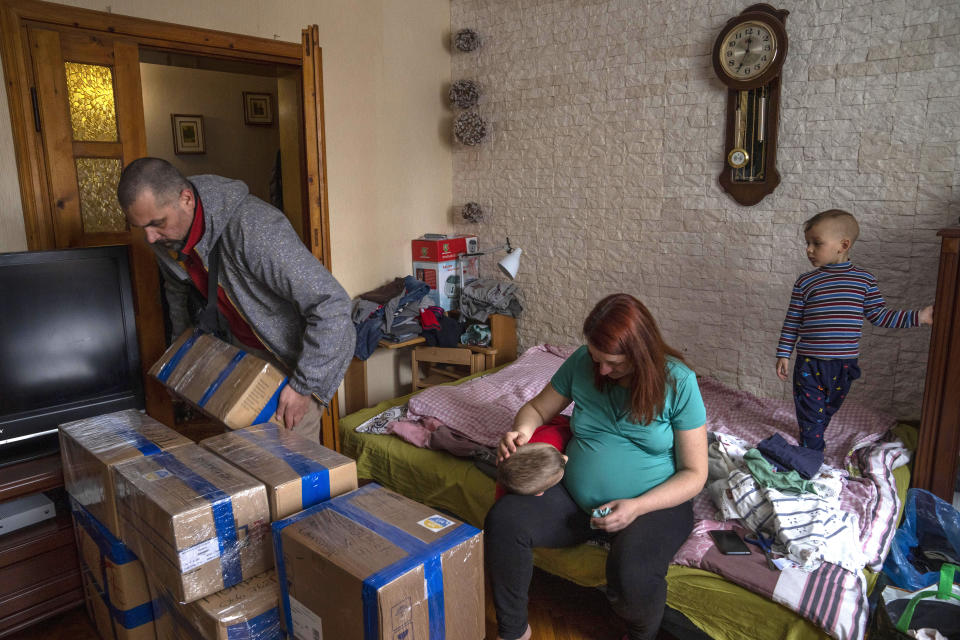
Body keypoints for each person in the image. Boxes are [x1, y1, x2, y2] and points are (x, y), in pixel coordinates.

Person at [485, 294, 708, 640]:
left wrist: (637, 507)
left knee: (632, 573)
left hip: (653, 504)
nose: (601, 370)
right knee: (505, 520)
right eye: (596, 358)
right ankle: (513, 632)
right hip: (574, 498)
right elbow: (536, 409)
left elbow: (695, 474)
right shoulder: (582, 363)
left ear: (640, 353)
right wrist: (521, 432)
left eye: (613, 364)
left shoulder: (678, 383)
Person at [117, 157, 355, 442]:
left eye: (157, 224)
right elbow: (177, 293)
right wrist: (181, 358)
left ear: (186, 199)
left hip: (298, 357)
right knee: (247, 460)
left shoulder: (254, 228)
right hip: (242, 353)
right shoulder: (164, 239)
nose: (151, 238)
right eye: (141, 228)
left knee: (292, 472)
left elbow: (333, 304)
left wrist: (304, 385)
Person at [776, 209, 933, 450]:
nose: (808, 249)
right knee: (809, 412)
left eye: (816, 243)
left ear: (843, 245)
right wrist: (784, 353)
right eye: (807, 243)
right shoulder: (806, 282)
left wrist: (919, 316)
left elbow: (880, 315)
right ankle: (811, 451)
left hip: (843, 364)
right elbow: (793, 321)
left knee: (827, 408)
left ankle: (815, 432)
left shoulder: (864, 281)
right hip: (809, 363)